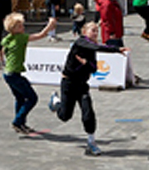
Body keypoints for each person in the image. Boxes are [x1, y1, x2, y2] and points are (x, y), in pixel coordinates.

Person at [47, 22, 130, 155]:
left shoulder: (91, 50)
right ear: (84, 32)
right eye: (93, 30)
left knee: (88, 113)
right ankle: (56, 104)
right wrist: (115, 49)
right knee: (65, 116)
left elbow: (94, 68)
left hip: (82, 86)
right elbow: (95, 47)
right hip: (68, 83)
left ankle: (91, 142)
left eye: (97, 31)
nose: (95, 33)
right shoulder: (80, 42)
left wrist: (86, 64)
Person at [1, 13, 58, 134]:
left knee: (20, 98)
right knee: (32, 98)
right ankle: (17, 121)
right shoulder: (20, 37)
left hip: (8, 73)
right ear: (13, 29)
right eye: (20, 26)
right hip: (14, 74)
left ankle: (21, 124)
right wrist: (50, 24)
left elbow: (3, 51)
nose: (23, 28)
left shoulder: (7, 39)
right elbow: (41, 35)